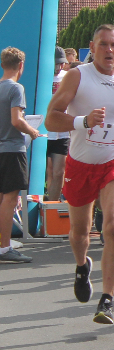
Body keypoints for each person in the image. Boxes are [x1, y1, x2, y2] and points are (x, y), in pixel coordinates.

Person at [45, 25, 114, 323]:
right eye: (103, 44)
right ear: (92, 47)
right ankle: (82, 266)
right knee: (80, 232)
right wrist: (84, 121)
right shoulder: (78, 76)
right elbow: (51, 119)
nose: (109, 50)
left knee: (113, 225)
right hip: (80, 164)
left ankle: (107, 300)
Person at [0, 47, 44, 263]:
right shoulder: (16, 88)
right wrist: (32, 131)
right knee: (9, 199)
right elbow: (17, 120)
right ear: (21, 66)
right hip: (12, 150)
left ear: (2, 65)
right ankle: (4, 248)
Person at [46, 46, 71, 201]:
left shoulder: (67, 77)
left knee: (59, 171)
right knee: (48, 170)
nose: (59, 67)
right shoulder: (42, 77)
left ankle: (52, 205)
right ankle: (44, 204)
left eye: (62, 63)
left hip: (62, 131)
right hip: (45, 131)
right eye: (56, 63)